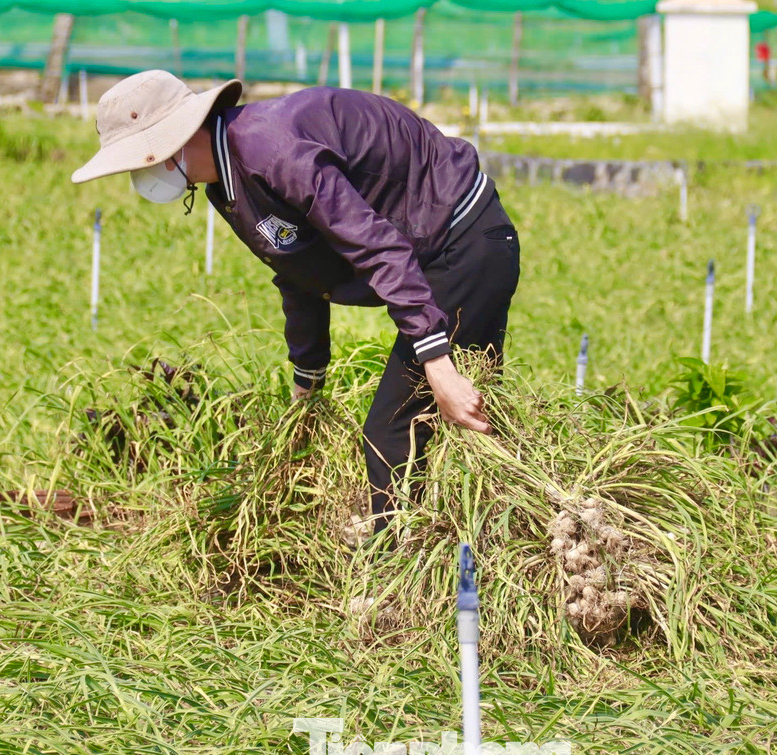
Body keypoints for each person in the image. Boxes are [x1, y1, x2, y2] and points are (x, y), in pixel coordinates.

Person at [71, 71, 520, 534]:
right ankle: (495, 540)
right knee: (467, 419)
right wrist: (308, 380)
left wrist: (436, 361)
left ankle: (400, 581)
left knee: (391, 434)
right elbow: (300, 270)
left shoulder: (273, 149)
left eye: (136, 164)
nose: (138, 176)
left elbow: (377, 246)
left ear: (166, 146)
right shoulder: (229, 183)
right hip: (441, 253)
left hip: (462, 243)